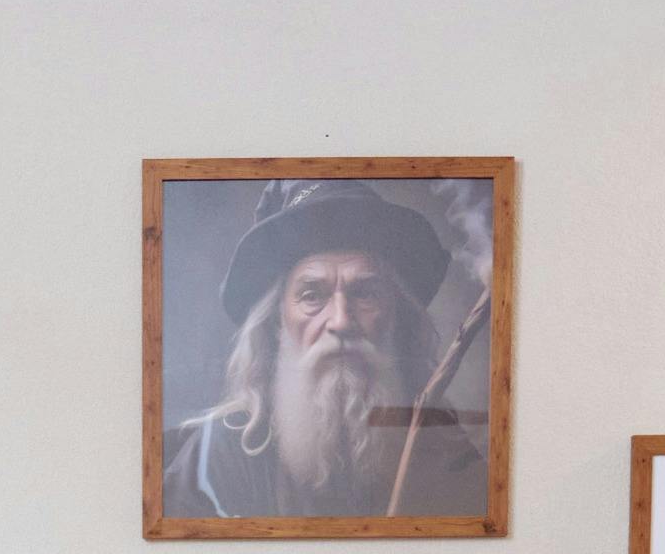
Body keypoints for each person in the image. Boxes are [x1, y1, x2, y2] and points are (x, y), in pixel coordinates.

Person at [161, 182, 493, 522]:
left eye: (365, 293)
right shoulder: (216, 462)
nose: (341, 321)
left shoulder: (442, 448)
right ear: (276, 324)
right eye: (311, 296)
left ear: (398, 319)